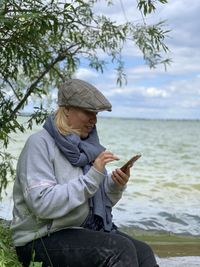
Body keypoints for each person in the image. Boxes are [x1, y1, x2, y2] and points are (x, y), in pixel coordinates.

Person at [11, 79, 159, 267]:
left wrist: (114, 186)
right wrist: (92, 178)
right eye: (88, 112)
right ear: (66, 109)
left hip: (80, 230)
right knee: (119, 249)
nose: (94, 120)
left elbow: (96, 202)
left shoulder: (88, 147)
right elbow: (42, 205)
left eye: (96, 114)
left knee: (143, 251)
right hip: (39, 239)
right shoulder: (39, 144)